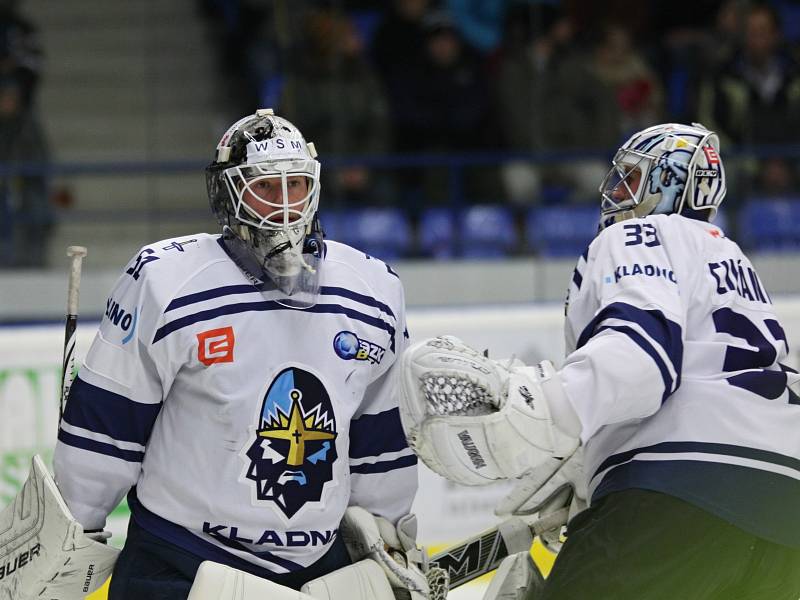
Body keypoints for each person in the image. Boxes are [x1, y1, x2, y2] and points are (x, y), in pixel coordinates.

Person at [399, 122, 800, 599]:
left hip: (679, 493)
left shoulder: (640, 235)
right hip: (784, 520)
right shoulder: (734, 259)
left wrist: (543, 413)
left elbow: (642, 358)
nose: (614, 191)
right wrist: (589, 460)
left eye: (630, 177)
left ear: (666, 184)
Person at [52, 109, 420, 599]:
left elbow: (382, 436)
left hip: (320, 569)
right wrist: (71, 534)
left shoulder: (373, 288)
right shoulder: (165, 279)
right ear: (228, 193)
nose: (285, 207)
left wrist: (387, 532)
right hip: (178, 559)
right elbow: (106, 430)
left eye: (296, 187)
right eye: (265, 188)